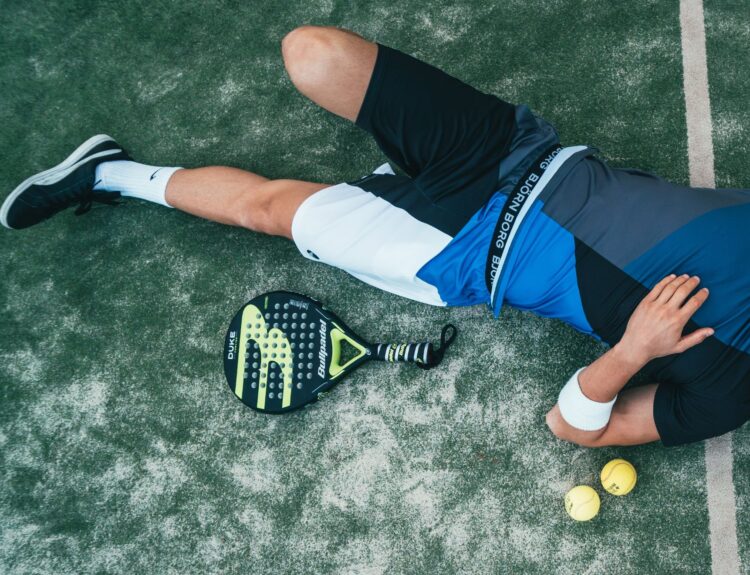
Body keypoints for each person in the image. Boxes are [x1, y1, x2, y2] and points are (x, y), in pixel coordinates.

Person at [3, 26, 748, 447]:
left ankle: (108, 173)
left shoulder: (730, 391)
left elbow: (573, 428)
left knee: (267, 209)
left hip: (454, 254)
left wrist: (632, 351)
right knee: (311, 53)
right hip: (509, 152)